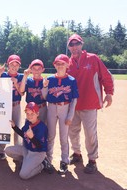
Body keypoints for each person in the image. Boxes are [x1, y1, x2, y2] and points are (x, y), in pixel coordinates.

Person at [67, 34, 114, 174]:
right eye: (71, 45)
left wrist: (109, 93)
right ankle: (77, 154)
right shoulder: (67, 63)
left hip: (89, 103)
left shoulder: (93, 59)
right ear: (69, 47)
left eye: (77, 44)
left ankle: (92, 160)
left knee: (90, 134)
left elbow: (106, 76)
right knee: (72, 131)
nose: (74, 47)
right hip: (73, 105)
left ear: (82, 44)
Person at [42, 54, 79, 174]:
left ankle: (64, 161)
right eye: (58, 64)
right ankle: (48, 160)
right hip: (51, 107)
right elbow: (45, 96)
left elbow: (74, 99)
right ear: (55, 65)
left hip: (65, 108)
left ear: (67, 65)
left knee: (64, 137)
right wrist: (45, 87)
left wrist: (70, 115)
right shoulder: (50, 79)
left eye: (63, 63)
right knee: (50, 136)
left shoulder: (71, 80)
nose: (60, 66)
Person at [5, 102, 53, 179]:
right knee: (7, 150)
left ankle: (42, 165)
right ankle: (26, 162)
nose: (29, 116)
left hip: (37, 153)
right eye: (27, 113)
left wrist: (32, 137)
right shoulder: (28, 122)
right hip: (27, 150)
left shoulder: (42, 127)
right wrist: (14, 127)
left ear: (37, 114)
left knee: (23, 175)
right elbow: (22, 134)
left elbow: (39, 146)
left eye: (32, 114)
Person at [0, 54, 24, 160]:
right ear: (8, 65)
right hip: (4, 105)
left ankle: (17, 151)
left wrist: (16, 85)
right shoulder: (3, 76)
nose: (14, 66)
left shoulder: (21, 77)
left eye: (17, 65)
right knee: (3, 128)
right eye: (12, 64)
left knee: (17, 128)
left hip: (16, 104)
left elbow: (22, 94)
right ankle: (1, 151)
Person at [19, 59, 47, 124]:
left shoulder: (45, 81)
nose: (36, 71)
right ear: (31, 70)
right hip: (30, 109)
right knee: (29, 128)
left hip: (42, 108)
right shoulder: (28, 80)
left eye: (39, 69)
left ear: (43, 70)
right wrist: (25, 76)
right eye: (34, 68)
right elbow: (21, 90)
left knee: (42, 128)